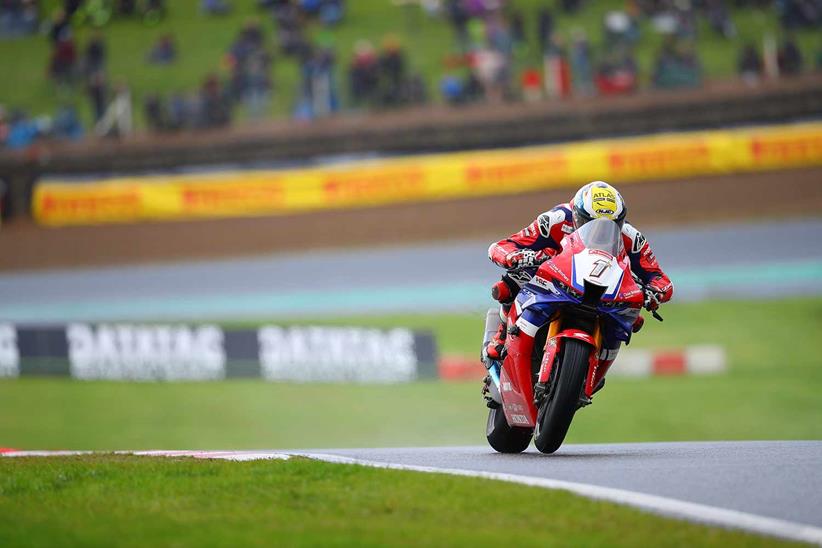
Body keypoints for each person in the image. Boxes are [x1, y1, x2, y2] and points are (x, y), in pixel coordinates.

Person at [483, 181, 673, 388]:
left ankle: (593, 371)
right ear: (576, 215)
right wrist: (516, 257)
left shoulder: (631, 237)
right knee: (511, 282)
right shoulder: (555, 220)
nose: (600, 231)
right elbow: (503, 246)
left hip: (602, 291)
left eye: (611, 225)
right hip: (554, 281)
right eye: (590, 222)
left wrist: (654, 292)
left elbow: (660, 279)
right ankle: (502, 334)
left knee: (632, 318)